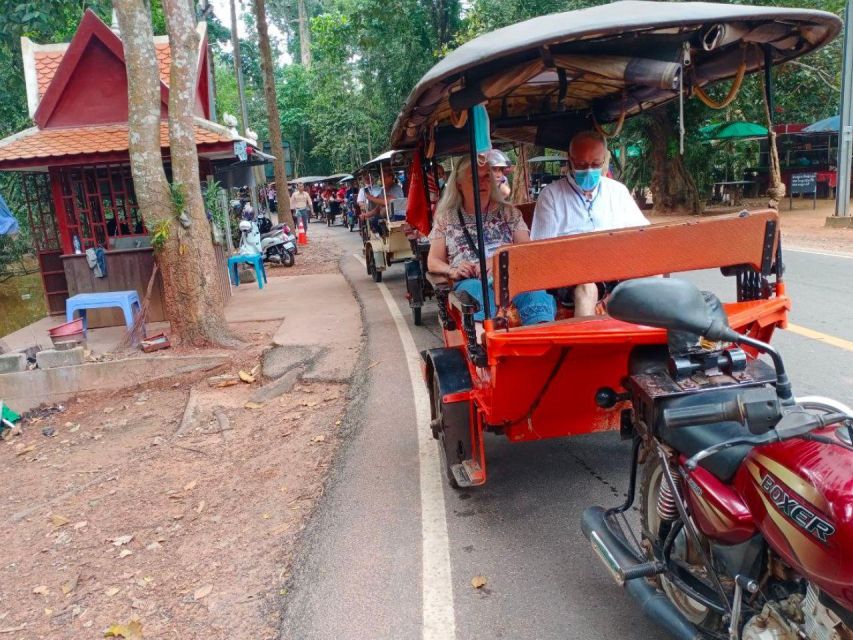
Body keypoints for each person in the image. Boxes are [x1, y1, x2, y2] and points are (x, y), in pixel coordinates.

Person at [531, 130, 649, 316]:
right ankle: (586, 343)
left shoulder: (617, 191)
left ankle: (658, 342)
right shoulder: (551, 195)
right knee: (587, 289)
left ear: (605, 159)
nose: (589, 170)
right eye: (581, 164)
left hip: (617, 267)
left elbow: (644, 234)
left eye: (595, 164)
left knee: (654, 280)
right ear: (570, 160)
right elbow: (541, 252)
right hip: (573, 274)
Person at [427, 154, 555, 326]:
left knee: (535, 293)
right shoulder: (446, 218)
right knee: (475, 292)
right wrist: (453, 270)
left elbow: (526, 250)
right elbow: (433, 261)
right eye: (474, 178)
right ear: (459, 184)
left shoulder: (509, 213)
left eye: (486, 176)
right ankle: (485, 348)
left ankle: (543, 344)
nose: (482, 182)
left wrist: (495, 260)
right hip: (470, 281)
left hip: (511, 276)